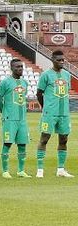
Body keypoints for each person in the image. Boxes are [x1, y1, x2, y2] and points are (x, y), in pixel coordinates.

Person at [36, 49, 73, 178]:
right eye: (59, 60)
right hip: (50, 112)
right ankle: (40, 170)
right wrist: (45, 107)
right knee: (44, 138)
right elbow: (39, 93)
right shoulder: (46, 75)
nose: (61, 62)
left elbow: (65, 92)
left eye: (63, 60)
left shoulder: (67, 75)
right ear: (52, 60)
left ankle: (61, 169)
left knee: (64, 139)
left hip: (64, 113)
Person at [0, 58, 32, 178]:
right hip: (10, 119)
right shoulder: (6, 82)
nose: (20, 69)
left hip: (22, 119)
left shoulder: (25, 83)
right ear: (11, 68)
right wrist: (4, 112)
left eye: (21, 66)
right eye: (17, 67)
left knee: (22, 145)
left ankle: (21, 171)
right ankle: (5, 171)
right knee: (7, 143)